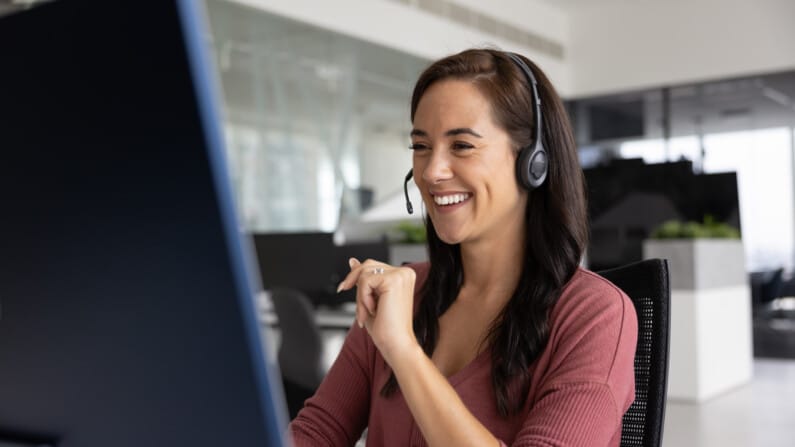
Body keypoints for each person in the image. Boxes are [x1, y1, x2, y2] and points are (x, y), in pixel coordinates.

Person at [290, 48, 637, 447]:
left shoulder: (594, 316)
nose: (432, 172)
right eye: (420, 146)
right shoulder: (403, 293)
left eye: (462, 146)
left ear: (533, 161)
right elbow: (317, 433)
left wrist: (403, 349)